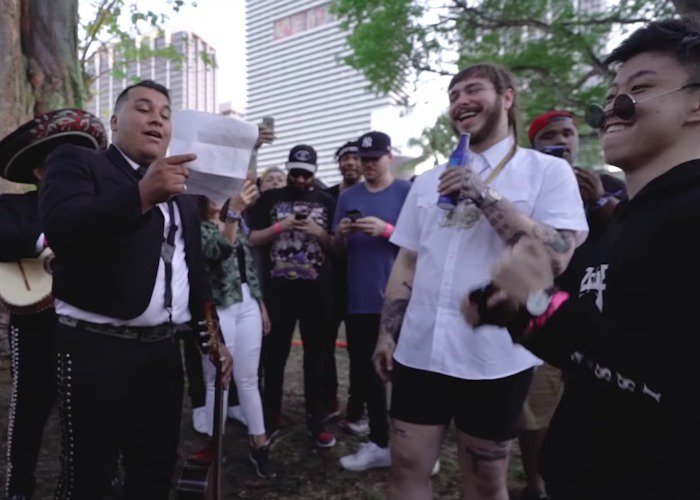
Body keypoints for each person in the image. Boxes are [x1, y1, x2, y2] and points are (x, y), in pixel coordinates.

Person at [469, 19, 700, 499]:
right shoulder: (633, 217)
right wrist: (511, 308)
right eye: (610, 95)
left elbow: (668, 384)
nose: (610, 110)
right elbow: (596, 344)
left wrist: (539, 303)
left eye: (639, 89)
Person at [371, 63, 587, 500]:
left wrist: (483, 194)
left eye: (473, 90)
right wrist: (387, 334)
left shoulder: (545, 171)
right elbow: (408, 260)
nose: (460, 101)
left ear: (507, 97)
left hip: (496, 357)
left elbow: (559, 253)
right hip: (420, 350)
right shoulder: (427, 181)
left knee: (486, 481)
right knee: (407, 466)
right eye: (453, 95)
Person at [39, 80, 232, 499]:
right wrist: (142, 194)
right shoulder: (77, 162)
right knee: (88, 475)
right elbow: (64, 230)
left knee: (154, 470)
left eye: (165, 115)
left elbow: (190, 271)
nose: (157, 120)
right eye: (144, 109)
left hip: (163, 354)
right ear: (114, 121)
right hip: (95, 350)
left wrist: (211, 338)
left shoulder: (181, 191)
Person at [517, 110, 627, 500]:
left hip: (597, 318)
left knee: (590, 409)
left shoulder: (608, 184)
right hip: (543, 316)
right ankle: (537, 484)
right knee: (534, 412)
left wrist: (599, 202)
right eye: (551, 134)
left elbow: (629, 239)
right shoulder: (527, 186)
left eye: (569, 133)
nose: (563, 139)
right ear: (535, 144)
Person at [0, 109, 107, 500]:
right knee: (29, 408)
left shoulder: (106, 208)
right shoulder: (14, 207)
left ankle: (87, 485)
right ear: (40, 173)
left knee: (91, 413)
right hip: (38, 325)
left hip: (95, 328)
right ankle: (19, 488)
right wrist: (49, 240)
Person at [248, 144, 337, 447]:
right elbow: (252, 238)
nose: (300, 180)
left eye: (306, 174)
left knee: (317, 359)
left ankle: (317, 420)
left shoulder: (327, 200)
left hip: (317, 294)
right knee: (274, 358)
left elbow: (338, 248)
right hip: (278, 293)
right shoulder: (270, 199)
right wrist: (280, 226)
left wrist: (318, 232)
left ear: (315, 172)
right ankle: (271, 417)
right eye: (295, 173)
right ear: (288, 169)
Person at [334, 131, 411, 470]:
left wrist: (387, 230)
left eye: (373, 159)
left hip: (403, 296)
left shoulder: (407, 191)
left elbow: (424, 245)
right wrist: (341, 234)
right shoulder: (348, 195)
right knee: (370, 374)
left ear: (389, 157)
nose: (367, 166)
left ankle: (412, 446)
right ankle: (379, 440)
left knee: (407, 373)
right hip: (361, 298)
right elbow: (337, 250)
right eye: (363, 160)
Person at [197, 179, 280, 479]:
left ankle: (259, 444)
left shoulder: (234, 221)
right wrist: (232, 216)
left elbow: (248, 267)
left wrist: (260, 304)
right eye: (209, 193)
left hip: (246, 305)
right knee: (217, 380)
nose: (217, 197)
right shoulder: (198, 228)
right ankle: (213, 449)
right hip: (216, 309)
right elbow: (219, 251)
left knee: (247, 379)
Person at [324, 140, 363, 424]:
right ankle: (329, 400)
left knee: (359, 349)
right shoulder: (325, 196)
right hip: (328, 282)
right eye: (344, 159)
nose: (350, 163)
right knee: (323, 344)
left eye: (355, 158)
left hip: (362, 281)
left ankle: (356, 407)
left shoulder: (375, 193)